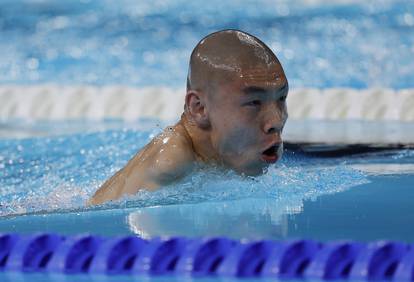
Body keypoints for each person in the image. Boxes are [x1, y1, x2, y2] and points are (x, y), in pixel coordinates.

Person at [89, 29, 288, 205]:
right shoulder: (172, 161)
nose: (276, 121)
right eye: (254, 103)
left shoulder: (210, 156)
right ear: (199, 107)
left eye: (281, 98)